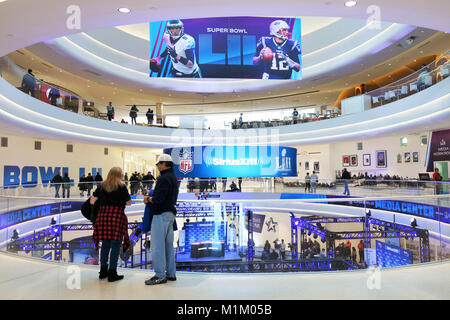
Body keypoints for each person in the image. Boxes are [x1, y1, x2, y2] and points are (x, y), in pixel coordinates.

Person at [91, 167, 132, 282]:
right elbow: (128, 203)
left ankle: (103, 271)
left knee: (105, 244)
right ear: (120, 175)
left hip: (103, 216)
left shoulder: (102, 186)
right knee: (115, 245)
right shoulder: (122, 186)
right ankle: (112, 273)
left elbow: (92, 200)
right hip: (117, 217)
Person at [144, 154, 179, 285]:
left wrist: (148, 199)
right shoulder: (173, 178)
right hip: (170, 215)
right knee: (168, 246)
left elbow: (159, 199)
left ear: (165, 164)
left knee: (158, 246)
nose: (158, 166)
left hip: (161, 215)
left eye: (159, 164)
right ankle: (171, 274)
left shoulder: (163, 179)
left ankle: (159, 275)